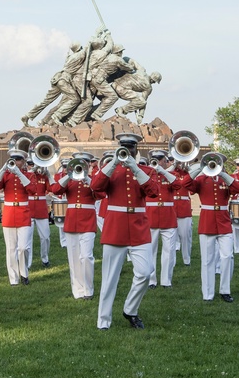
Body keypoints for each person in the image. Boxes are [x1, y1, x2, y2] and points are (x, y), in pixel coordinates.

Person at [90, 133, 159, 329]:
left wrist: (135, 167)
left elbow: (153, 192)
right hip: (115, 228)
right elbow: (95, 187)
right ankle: (103, 321)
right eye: (124, 148)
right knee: (109, 278)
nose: (128, 151)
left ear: (137, 151)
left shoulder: (145, 170)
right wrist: (111, 164)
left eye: (131, 148)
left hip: (139, 228)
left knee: (145, 272)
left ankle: (130, 310)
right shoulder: (110, 170)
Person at [188, 155, 239, 302]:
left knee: (227, 256)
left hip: (224, 222)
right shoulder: (201, 179)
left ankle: (225, 290)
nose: (214, 165)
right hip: (207, 222)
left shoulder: (226, 179)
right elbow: (186, 184)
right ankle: (208, 293)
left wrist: (222, 172)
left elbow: (238, 188)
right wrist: (199, 169)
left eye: (218, 163)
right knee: (207, 260)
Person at [50, 153, 100, 299]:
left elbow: (100, 193)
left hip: (88, 221)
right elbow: (56, 190)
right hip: (72, 221)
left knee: (86, 256)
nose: (81, 166)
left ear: (89, 164)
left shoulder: (94, 180)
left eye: (84, 163)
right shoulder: (68, 180)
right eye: (79, 163)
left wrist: (88, 178)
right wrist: (69, 175)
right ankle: (78, 290)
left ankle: (88, 289)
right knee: (73, 258)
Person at [0, 150, 36, 286]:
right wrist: (3, 168)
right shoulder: (6, 175)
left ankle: (24, 273)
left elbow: (32, 189)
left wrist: (18, 173)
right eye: (13, 159)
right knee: (11, 248)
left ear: (23, 162)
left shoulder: (28, 175)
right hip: (9, 213)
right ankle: (13, 278)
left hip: (23, 212)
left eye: (18, 159)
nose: (15, 162)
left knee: (23, 247)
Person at [147, 150, 182, 289]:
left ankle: (166, 280)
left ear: (165, 160)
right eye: (154, 159)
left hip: (168, 216)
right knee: (151, 250)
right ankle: (151, 280)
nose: (157, 161)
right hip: (151, 216)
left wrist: (164, 171)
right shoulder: (147, 174)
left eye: (160, 159)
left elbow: (178, 185)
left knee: (169, 250)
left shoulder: (170, 175)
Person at [28, 164, 52, 269]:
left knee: (45, 237)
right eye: (29, 164)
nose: (32, 166)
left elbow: (51, 188)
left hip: (41, 209)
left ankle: (45, 259)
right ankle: (27, 262)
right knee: (28, 238)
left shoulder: (43, 177)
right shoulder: (26, 175)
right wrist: (30, 172)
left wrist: (49, 175)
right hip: (28, 209)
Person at [172, 160, 194, 266]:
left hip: (184, 208)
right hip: (171, 207)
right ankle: (171, 261)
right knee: (170, 237)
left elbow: (193, 190)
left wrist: (189, 171)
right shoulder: (169, 172)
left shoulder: (186, 174)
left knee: (185, 236)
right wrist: (173, 167)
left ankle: (187, 259)